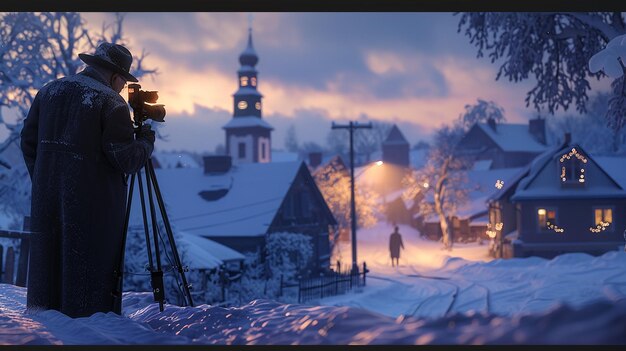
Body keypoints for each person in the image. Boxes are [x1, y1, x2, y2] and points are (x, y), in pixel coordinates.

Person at [20, 42, 156, 318]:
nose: (121, 89)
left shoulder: (49, 91)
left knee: (48, 273)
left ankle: (44, 323)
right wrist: (145, 141)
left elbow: (28, 143)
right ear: (116, 76)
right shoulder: (110, 103)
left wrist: (45, 179)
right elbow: (126, 160)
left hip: (47, 201)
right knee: (87, 285)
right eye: (122, 82)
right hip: (93, 208)